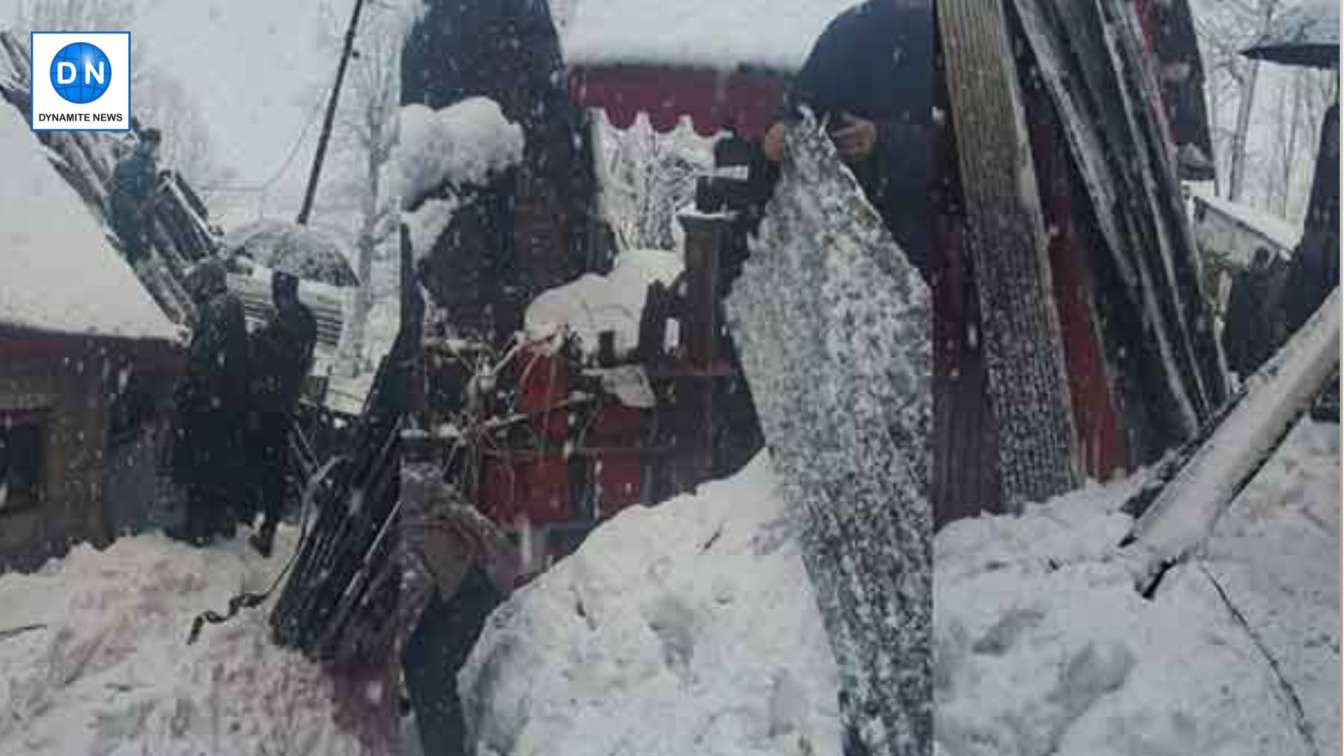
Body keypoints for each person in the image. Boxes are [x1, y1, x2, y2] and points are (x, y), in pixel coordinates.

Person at [761, 0, 933, 276]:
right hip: (845, 229)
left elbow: (976, 152)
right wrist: (783, 128)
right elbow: (804, 102)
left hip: (930, 236)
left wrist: (884, 139)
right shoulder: (852, 29)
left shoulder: (967, 36)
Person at [168, 258, 250, 545]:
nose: (195, 287)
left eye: (199, 280)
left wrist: (192, 392)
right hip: (227, 404)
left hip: (208, 404)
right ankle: (215, 521)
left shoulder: (215, 309)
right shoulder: (233, 307)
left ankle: (196, 528)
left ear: (208, 281)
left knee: (199, 466)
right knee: (217, 466)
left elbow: (205, 358)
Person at [247, 271, 318, 557]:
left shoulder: (293, 321)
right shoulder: (303, 319)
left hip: (273, 404)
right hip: (281, 402)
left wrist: (261, 337)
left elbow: (283, 358)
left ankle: (265, 527)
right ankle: (263, 523)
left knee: (269, 464)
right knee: (271, 463)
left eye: (278, 290)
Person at [1221, 247, 1289, 380]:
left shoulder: (1243, 278)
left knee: (1231, 366)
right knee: (1237, 368)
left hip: (1238, 332)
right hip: (1245, 334)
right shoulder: (1259, 283)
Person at [109, 128, 163, 268]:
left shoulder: (150, 166)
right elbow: (121, 192)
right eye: (149, 144)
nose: (152, 148)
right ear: (143, 142)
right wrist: (134, 210)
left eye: (154, 145)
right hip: (126, 219)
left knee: (144, 254)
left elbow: (151, 193)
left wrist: (150, 206)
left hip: (143, 220)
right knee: (129, 254)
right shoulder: (128, 163)